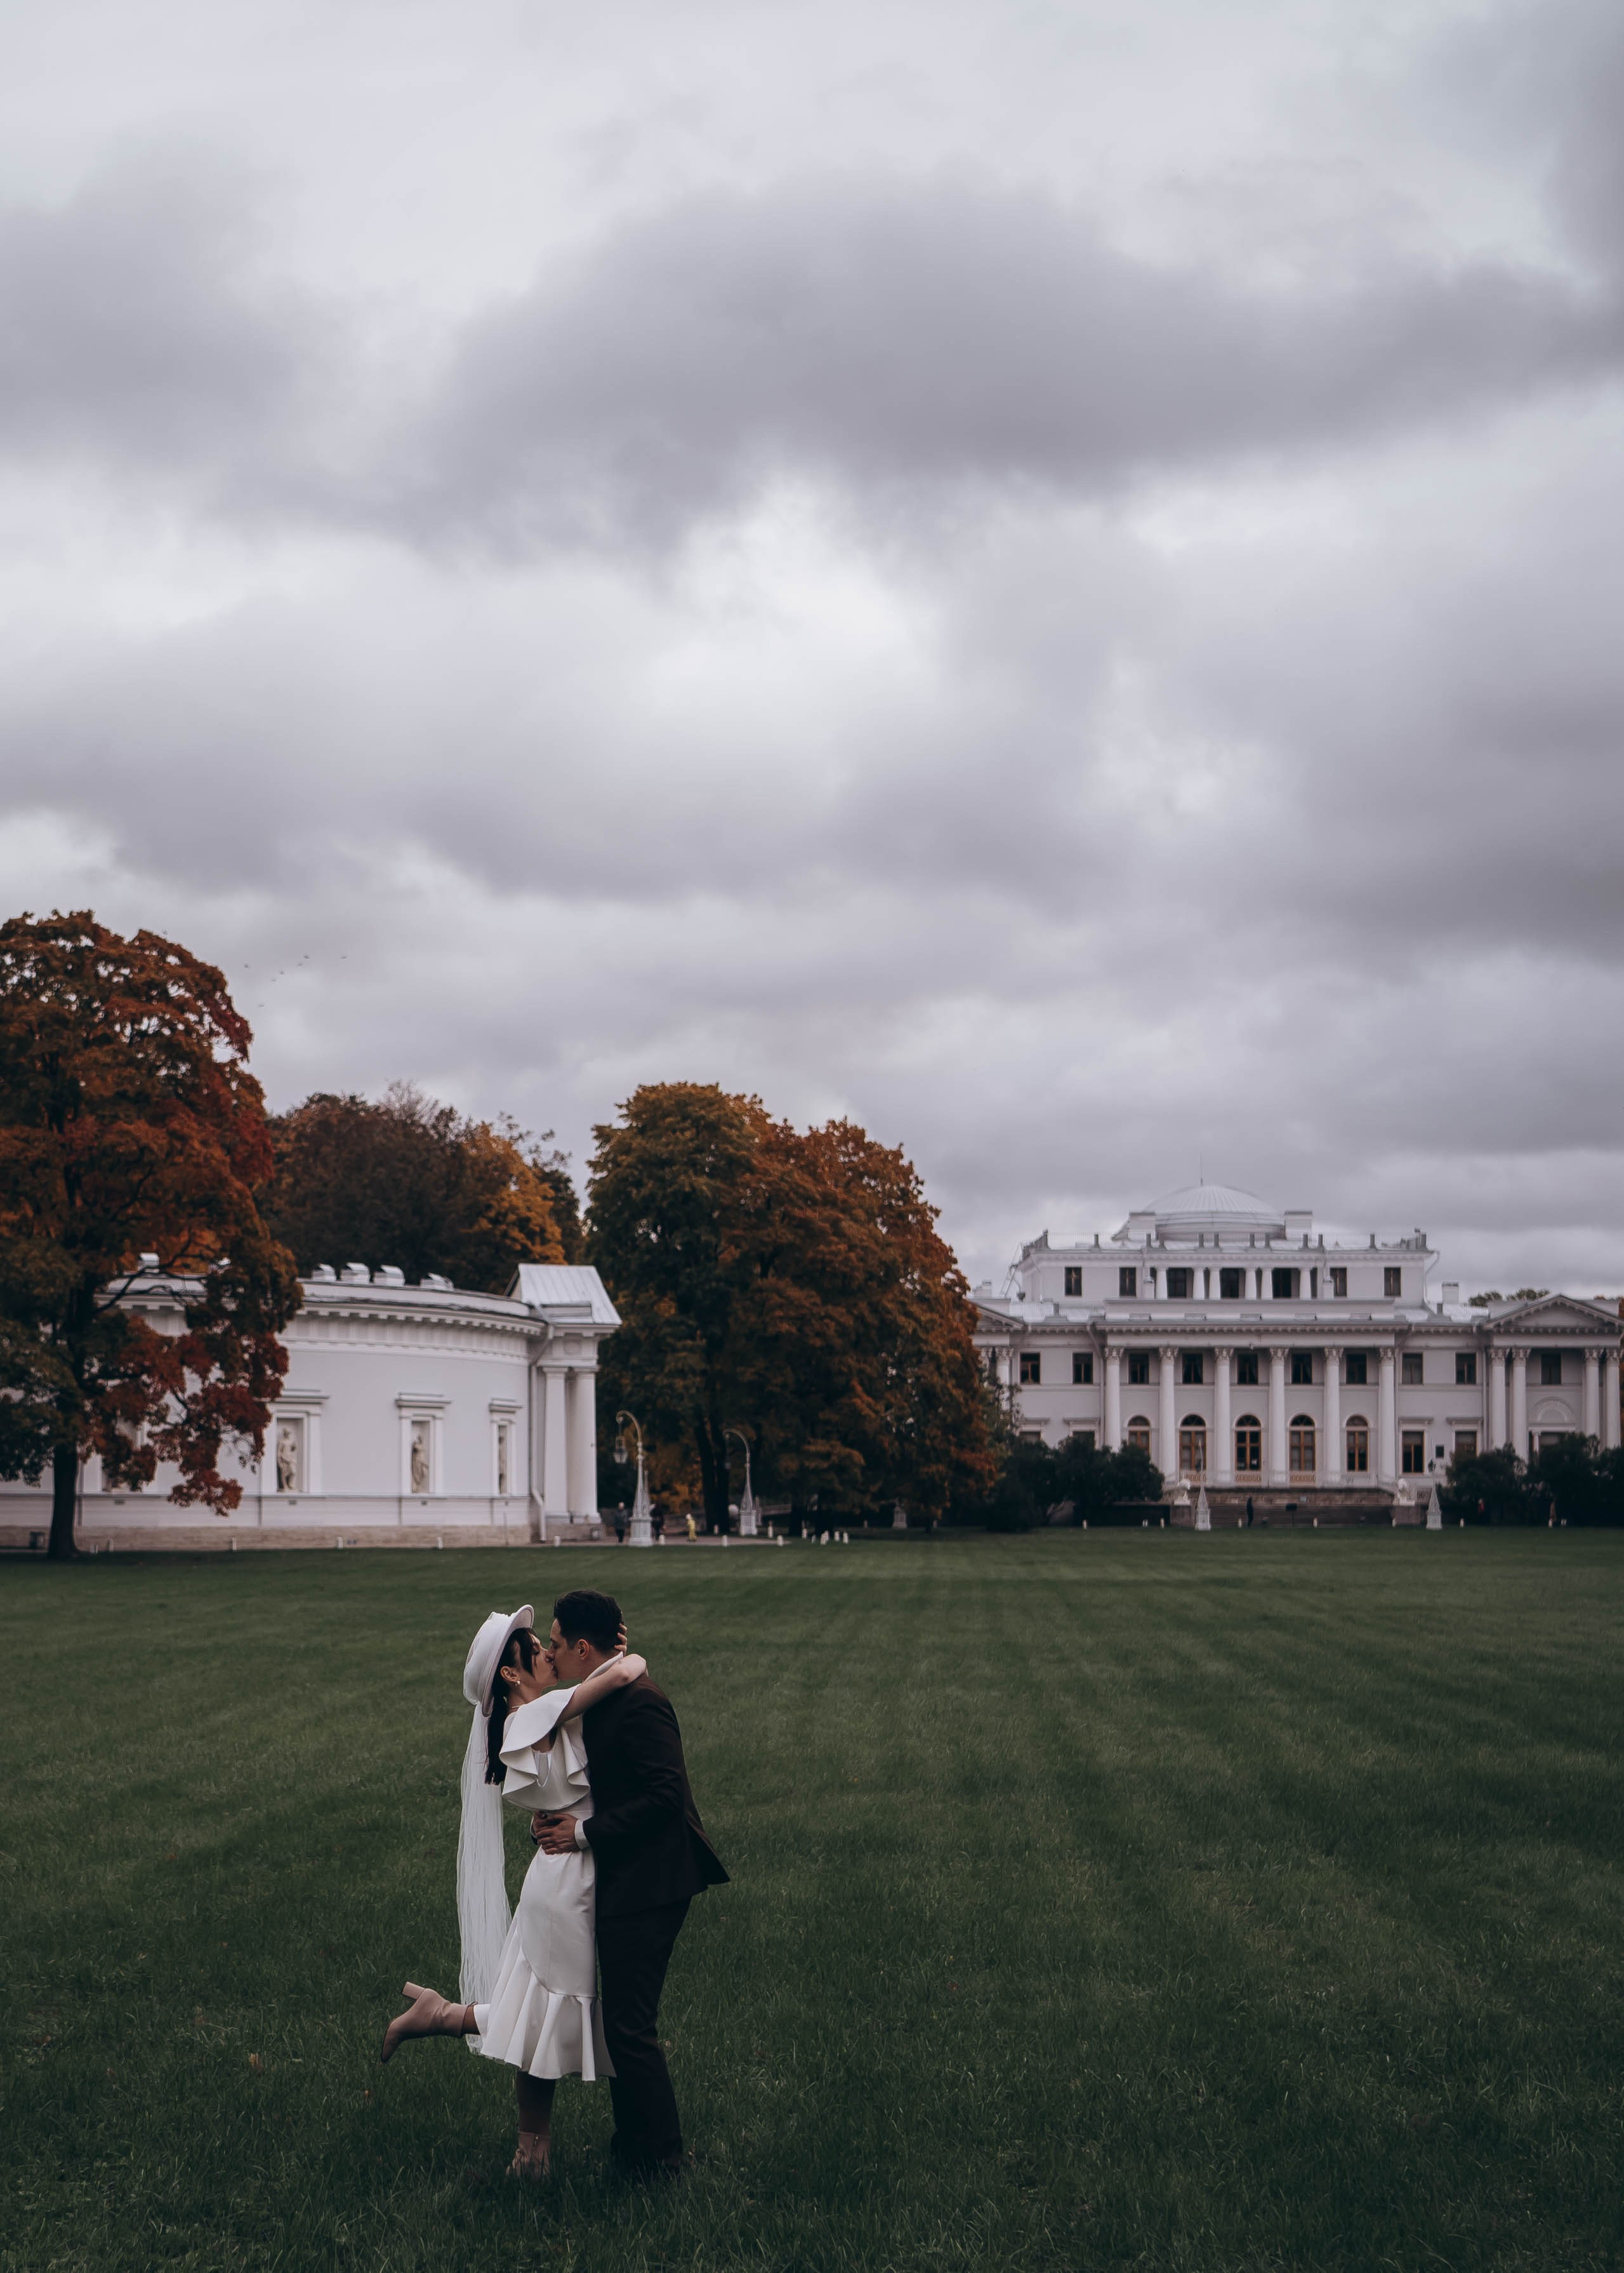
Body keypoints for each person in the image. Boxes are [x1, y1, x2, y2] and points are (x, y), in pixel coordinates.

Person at [378, 1604, 645, 2177]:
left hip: (567, 1870)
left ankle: (525, 2141)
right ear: (509, 1673)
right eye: (535, 1646)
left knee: (539, 2017)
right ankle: (528, 2145)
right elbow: (623, 1676)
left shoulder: (533, 1716)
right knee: (543, 2018)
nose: (550, 1652)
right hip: (566, 1881)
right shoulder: (532, 1717)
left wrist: (602, 1650)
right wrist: (620, 1654)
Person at [532, 1589, 727, 2179]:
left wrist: (583, 1833)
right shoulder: (605, 1692)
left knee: (630, 2025)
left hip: (655, 1878)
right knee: (622, 2022)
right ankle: (635, 2152)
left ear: (584, 1647)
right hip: (628, 1874)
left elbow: (666, 1798)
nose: (552, 1653)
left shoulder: (640, 1703)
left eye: (558, 1643)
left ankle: (661, 2160)